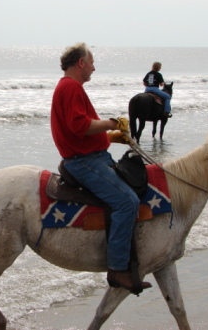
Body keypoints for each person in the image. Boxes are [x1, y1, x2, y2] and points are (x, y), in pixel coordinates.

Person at [50, 42, 152, 292]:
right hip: (84, 162)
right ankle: (118, 269)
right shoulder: (72, 87)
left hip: (90, 156)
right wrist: (110, 123)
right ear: (81, 63)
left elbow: (80, 134)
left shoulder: (68, 87)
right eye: (92, 63)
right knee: (127, 202)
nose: (94, 69)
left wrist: (112, 137)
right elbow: (80, 126)